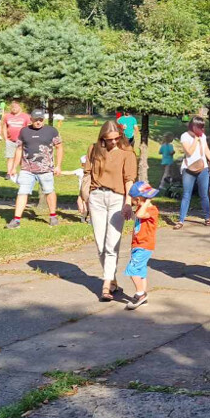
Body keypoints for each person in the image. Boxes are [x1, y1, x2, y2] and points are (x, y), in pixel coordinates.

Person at [84, 121, 136, 301]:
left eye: (116, 138)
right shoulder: (93, 149)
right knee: (100, 245)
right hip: (96, 197)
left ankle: (106, 285)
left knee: (111, 244)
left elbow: (129, 180)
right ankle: (112, 279)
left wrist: (128, 203)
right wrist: (82, 197)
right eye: (109, 139)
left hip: (117, 199)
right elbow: (87, 174)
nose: (113, 142)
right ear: (102, 138)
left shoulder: (127, 153)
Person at [5, 108, 63, 229]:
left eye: (40, 119)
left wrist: (58, 166)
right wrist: (14, 167)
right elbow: (19, 149)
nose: (38, 122)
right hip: (27, 169)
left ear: (43, 119)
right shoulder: (24, 131)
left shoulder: (51, 131)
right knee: (22, 192)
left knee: (49, 191)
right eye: (36, 120)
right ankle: (16, 220)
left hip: (46, 169)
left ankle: (53, 216)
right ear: (31, 119)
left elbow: (59, 147)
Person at [125, 182, 160, 310]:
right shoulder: (142, 208)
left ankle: (140, 294)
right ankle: (143, 294)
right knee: (141, 271)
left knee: (132, 269)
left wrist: (146, 202)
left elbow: (140, 215)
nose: (132, 202)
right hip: (138, 245)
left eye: (133, 200)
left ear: (139, 199)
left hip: (144, 245)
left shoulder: (152, 210)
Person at [176, 117, 210, 229]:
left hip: (203, 168)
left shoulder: (203, 136)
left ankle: (207, 217)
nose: (202, 129)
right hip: (189, 169)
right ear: (193, 126)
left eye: (203, 127)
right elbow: (189, 152)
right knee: (186, 194)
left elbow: (206, 150)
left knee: (204, 194)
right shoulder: (185, 136)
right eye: (200, 127)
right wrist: (196, 140)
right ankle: (181, 220)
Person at [0, 101, 31, 165]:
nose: (14, 108)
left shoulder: (25, 116)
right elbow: (4, 127)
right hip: (10, 141)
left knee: (21, 158)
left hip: (22, 141)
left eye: (16, 107)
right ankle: (10, 171)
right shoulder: (7, 116)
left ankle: (22, 170)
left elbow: (29, 128)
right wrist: (6, 138)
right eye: (12, 107)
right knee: (10, 157)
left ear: (19, 107)